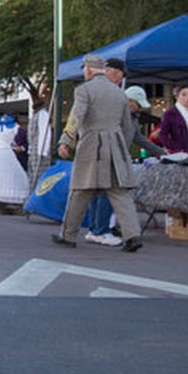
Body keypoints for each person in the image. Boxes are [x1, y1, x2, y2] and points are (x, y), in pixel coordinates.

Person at [53, 54, 143, 252]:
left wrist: (65, 141)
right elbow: (127, 127)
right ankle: (132, 235)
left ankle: (67, 235)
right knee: (120, 193)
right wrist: (121, 147)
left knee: (79, 191)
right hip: (116, 146)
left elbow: (76, 117)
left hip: (91, 145)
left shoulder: (84, 90)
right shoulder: (120, 94)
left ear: (88, 69)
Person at [81, 85, 165, 246]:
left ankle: (95, 229)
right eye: (138, 104)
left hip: (109, 157)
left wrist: (160, 151)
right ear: (129, 101)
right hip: (107, 157)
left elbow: (139, 139)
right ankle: (101, 230)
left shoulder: (130, 117)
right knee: (105, 194)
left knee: (99, 194)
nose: (139, 107)